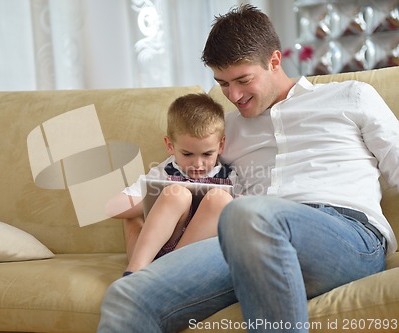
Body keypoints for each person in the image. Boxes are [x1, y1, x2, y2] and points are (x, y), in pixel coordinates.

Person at [98, 4, 399, 333]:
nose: (234, 95)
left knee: (247, 214)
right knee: (126, 297)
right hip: (243, 242)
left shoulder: (351, 96)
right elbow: (182, 176)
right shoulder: (222, 132)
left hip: (344, 236)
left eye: (243, 80)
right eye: (223, 83)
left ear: (274, 61)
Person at [105, 93, 239, 276]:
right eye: (187, 154)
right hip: (154, 249)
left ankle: (169, 272)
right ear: (170, 145)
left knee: (221, 199)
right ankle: (133, 274)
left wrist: (238, 202)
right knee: (175, 194)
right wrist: (158, 196)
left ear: (221, 146)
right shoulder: (163, 171)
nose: (198, 164)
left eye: (207, 154)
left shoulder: (229, 176)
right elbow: (113, 209)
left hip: (191, 254)